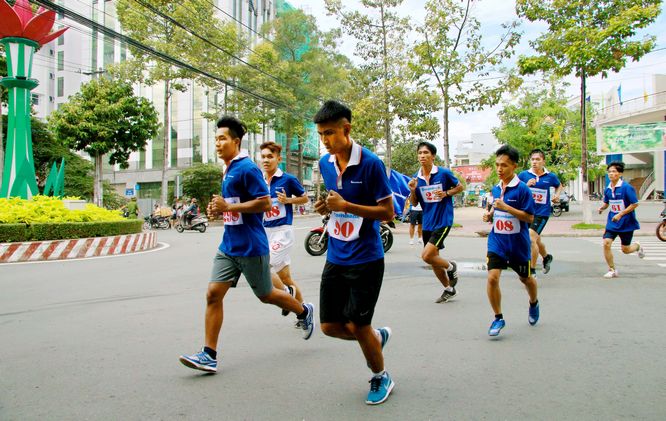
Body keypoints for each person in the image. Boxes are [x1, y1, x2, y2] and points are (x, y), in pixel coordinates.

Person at [179, 116, 315, 374]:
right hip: (229, 245)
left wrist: (228, 206)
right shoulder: (228, 168)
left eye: (222, 139)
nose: (217, 144)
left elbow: (265, 203)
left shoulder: (247, 168)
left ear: (236, 141)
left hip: (252, 246)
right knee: (213, 294)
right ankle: (209, 354)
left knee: (266, 295)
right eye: (216, 139)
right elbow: (235, 206)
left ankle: (302, 310)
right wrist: (220, 209)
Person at [313, 100, 395, 405]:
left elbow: (387, 212)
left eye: (330, 133)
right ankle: (375, 339)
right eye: (321, 134)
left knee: (359, 325)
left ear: (347, 129)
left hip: (366, 259)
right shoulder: (325, 163)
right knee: (329, 326)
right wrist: (328, 207)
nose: (325, 140)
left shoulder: (371, 163)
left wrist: (346, 207)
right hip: (335, 255)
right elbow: (336, 201)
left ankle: (380, 376)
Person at [482, 145, 539, 337]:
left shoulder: (522, 190)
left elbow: (530, 218)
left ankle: (533, 302)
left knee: (526, 279)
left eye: (504, 165)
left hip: (518, 244)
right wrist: (489, 215)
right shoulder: (496, 188)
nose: (499, 169)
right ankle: (498, 318)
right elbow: (496, 209)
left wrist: (507, 208)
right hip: (497, 241)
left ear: (514, 166)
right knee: (492, 277)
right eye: (497, 165)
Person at [408, 141, 464, 303]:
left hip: (443, 220)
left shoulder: (443, 173)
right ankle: (449, 288)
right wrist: (412, 190)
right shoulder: (416, 178)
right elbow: (414, 203)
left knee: (426, 256)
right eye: (420, 153)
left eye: (426, 153)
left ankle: (451, 266)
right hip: (428, 222)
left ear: (433, 156)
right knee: (433, 260)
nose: (422, 156)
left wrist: (446, 193)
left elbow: (459, 187)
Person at [260, 141, 309, 317]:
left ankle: (287, 296)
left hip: (282, 232)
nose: (266, 160)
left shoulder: (287, 179)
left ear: (278, 159)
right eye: (263, 157)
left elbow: (304, 199)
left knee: (263, 267)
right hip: (265, 232)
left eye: (270, 156)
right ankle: (303, 311)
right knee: (286, 278)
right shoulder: (260, 180)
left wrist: (288, 200)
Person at [518, 149, 562, 277]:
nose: (534, 162)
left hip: (541, 213)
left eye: (538, 159)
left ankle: (531, 270)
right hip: (526, 212)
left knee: (531, 239)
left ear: (543, 161)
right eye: (532, 159)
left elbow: (559, 185)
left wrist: (557, 195)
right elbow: (517, 191)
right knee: (536, 240)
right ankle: (546, 257)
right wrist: (526, 185)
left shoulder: (550, 176)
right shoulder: (523, 175)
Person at [598, 161, 645, 278]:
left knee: (625, 249)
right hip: (612, 222)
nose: (611, 174)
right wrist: (602, 208)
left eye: (614, 171)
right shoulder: (608, 189)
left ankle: (637, 246)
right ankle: (612, 269)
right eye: (609, 172)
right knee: (606, 243)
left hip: (626, 222)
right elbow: (607, 202)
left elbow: (634, 204)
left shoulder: (626, 188)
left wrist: (620, 214)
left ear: (620, 174)